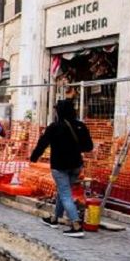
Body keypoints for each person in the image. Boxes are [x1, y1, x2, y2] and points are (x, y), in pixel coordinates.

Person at [30, 99, 94, 238]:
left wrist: (34, 157)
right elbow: (89, 147)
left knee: (65, 194)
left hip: (60, 167)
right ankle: (54, 219)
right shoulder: (80, 126)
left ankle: (76, 225)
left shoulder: (54, 127)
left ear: (59, 111)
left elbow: (42, 143)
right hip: (76, 166)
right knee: (63, 191)